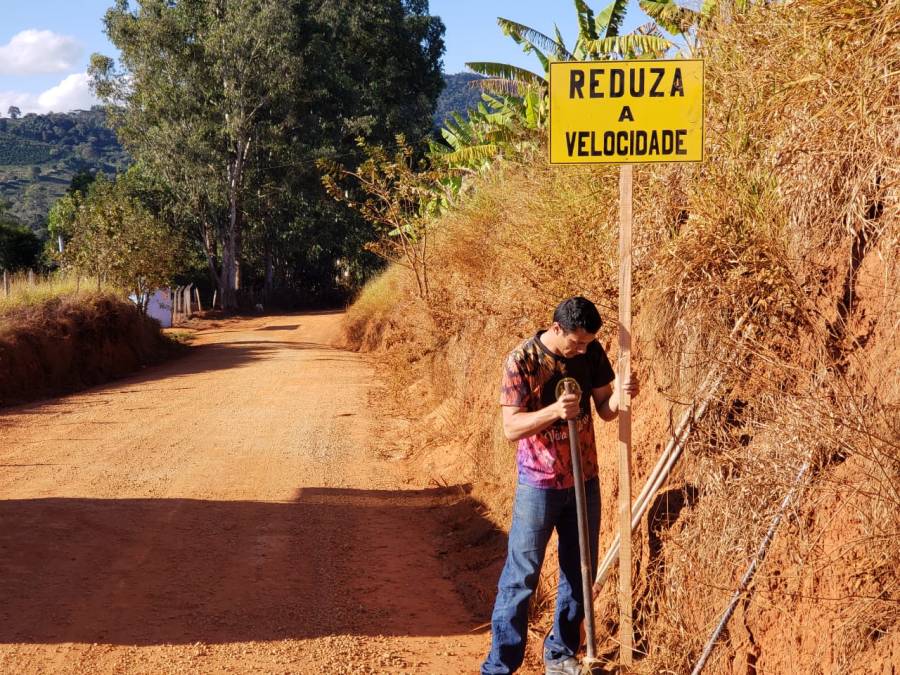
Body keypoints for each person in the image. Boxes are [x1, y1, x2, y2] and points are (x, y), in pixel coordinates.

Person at [481, 296, 640, 675]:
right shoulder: (522, 359)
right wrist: (555, 410)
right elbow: (511, 428)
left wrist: (621, 396)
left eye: (588, 343)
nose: (582, 349)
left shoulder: (591, 352)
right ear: (556, 329)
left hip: (585, 480)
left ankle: (561, 654)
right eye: (576, 342)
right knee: (522, 576)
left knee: (579, 571)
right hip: (538, 484)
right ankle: (499, 666)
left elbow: (604, 408)